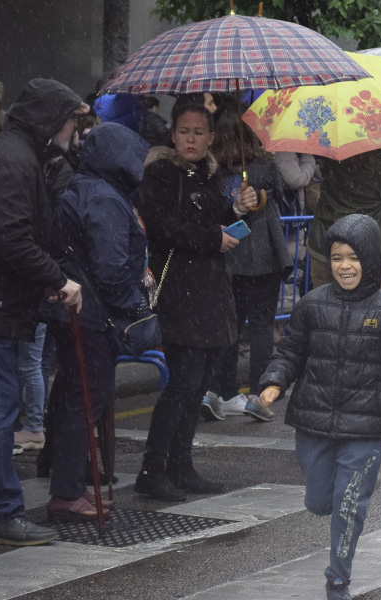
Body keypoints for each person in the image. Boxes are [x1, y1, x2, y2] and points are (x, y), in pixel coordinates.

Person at [255, 214, 381, 600]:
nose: (344, 266)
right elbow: (290, 351)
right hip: (313, 423)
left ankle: (338, 580)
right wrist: (274, 382)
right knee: (318, 503)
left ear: (367, 259)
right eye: (336, 257)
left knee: (349, 506)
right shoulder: (312, 305)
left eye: (353, 257)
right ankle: (358, 482)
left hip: (364, 427)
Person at [133, 102, 259, 501]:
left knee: (199, 384)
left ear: (210, 138)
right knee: (182, 385)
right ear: (173, 134)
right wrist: (211, 238)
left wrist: (236, 210)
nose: (191, 139)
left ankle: (181, 465)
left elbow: (211, 220)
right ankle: (153, 469)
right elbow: (161, 225)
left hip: (210, 292)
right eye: (184, 131)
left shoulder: (210, 173)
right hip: (178, 293)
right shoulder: (159, 173)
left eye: (198, 133)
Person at [0, 78, 87, 545]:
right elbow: (10, 237)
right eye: (71, 119)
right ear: (51, 118)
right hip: (1, 307)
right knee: (1, 408)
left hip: (8, 302)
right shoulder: (15, 159)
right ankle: (3, 511)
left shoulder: (18, 154)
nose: (75, 128)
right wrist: (55, 277)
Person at [43, 122, 150, 519]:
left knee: (77, 395)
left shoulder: (86, 187)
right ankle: (67, 491)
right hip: (91, 315)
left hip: (77, 309)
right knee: (86, 399)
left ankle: (67, 483)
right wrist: (136, 310)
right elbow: (110, 268)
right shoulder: (105, 197)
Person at [204, 101, 293, 423]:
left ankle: (223, 390)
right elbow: (281, 192)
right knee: (261, 326)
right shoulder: (264, 165)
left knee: (230, 326)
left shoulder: (212, 169)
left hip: (229, 258)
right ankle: (258, 393)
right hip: (264, 257)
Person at [307, 150, 381, 289]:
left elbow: (352, 183)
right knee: (363, 309)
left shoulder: (330, 158)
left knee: (324, 306)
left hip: (324, 247)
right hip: (367, 255)